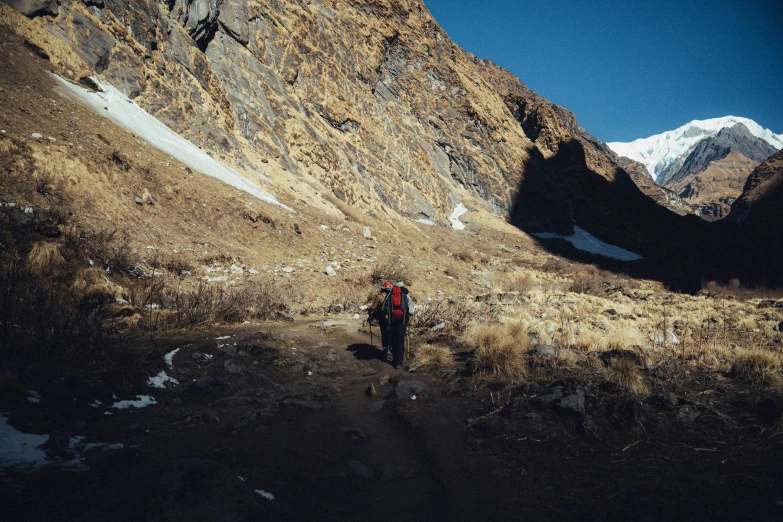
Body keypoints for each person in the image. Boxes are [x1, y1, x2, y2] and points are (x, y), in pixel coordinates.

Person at [381, 280, 414, 369]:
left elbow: (384, 308)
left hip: (392, 321)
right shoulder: (406, 296)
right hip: (402, 321)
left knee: (393, 339)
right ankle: (399, 362)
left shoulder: (390, 295)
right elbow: (411, 311)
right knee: (400, 340)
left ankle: (394, 359)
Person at [368, 281, 392, 359]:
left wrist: (369, 309)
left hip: (383, 318)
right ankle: (391, 347)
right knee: (391, 332)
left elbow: (373, 307)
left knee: (384, 332)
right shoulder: (392, 296)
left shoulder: (379, 296)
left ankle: (385, 348)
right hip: (392, 317)